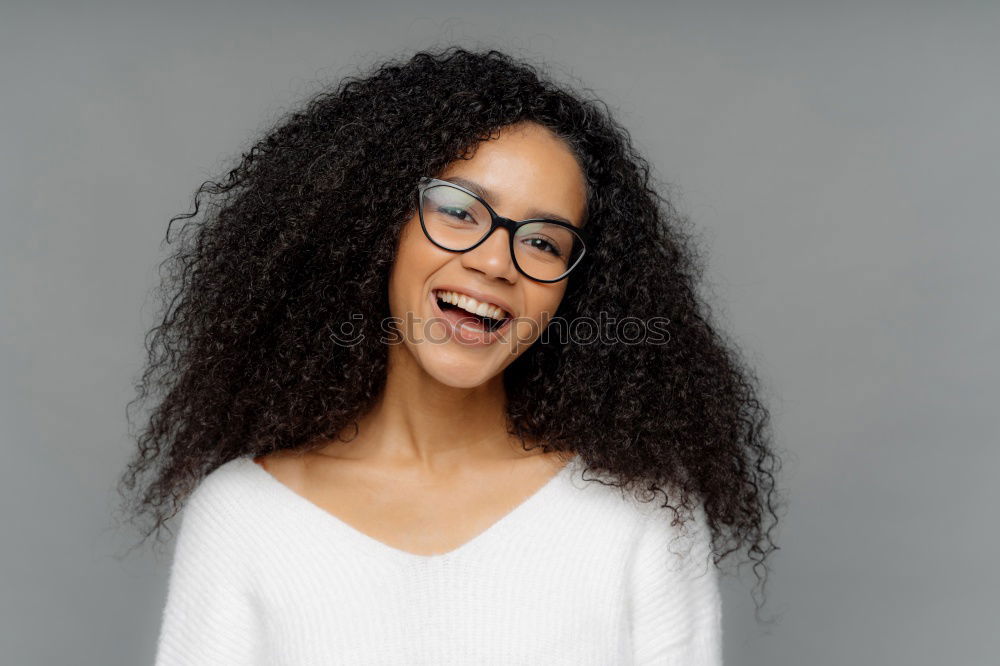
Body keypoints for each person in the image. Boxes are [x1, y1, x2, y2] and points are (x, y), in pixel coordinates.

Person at [118, 46, 782, 665]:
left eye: (545, 243)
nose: (496, 262)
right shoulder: (244, 516)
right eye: (461, 210)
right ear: (374, 222)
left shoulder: (643, 518)